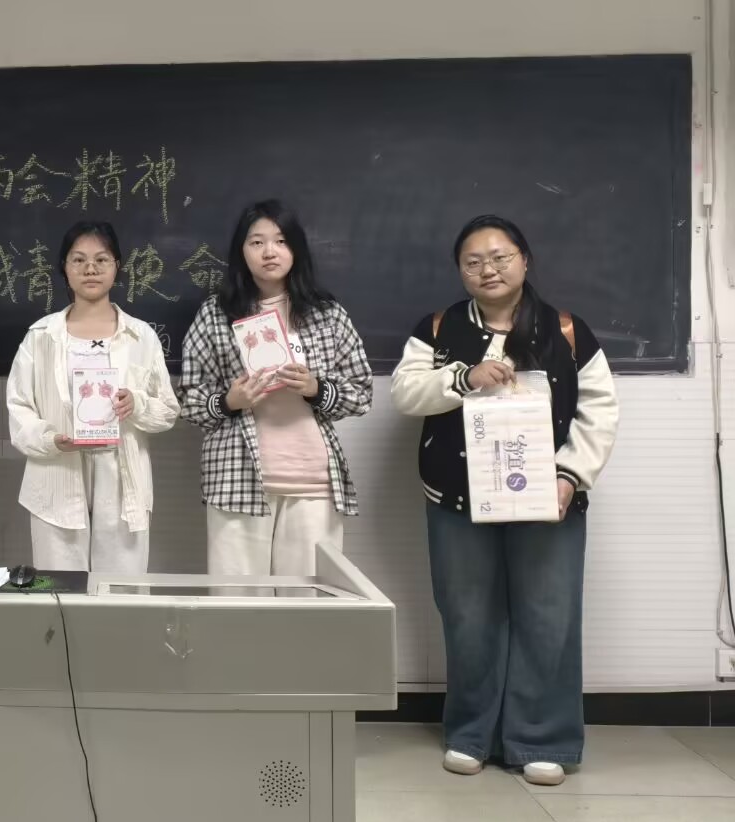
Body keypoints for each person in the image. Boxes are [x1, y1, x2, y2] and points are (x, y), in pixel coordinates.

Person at [391, 214, 618, 787]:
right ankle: (471, 734)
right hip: (458, 500)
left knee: (549, 615)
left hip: (547, 500)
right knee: (468, 616)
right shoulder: (438, 328)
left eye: (500, 257)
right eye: (473, 261)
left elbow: (599, 411)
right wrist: (464, 378)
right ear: (460, 271)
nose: (488, 269)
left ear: (524, 260)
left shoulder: (566, 330)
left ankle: (542, 739)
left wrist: (569, 477)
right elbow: (405, 393)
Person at [179, 200, 372, 577]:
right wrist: (228, 402)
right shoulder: (216, 313)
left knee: (308, 601)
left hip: (313, 482)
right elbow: (189, 401)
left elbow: (361, 392)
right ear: (242, 251)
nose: (270, 251)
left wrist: (317, 389)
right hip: (237, 479)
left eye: (281, 241)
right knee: (237, 601)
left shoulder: (326, 313)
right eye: (257, 242)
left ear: (295, 249)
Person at [6, 221, 178, 573]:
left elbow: (167, 410)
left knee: (120, 591)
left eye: (101, 259)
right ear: (65, 268)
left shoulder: (141, 336)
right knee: (60, 589)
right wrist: (51, 439)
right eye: (79, 259)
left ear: (117, 266)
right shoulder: (40, 336)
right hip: (57, 472)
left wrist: (137, 405)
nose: (90, 269)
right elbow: (19, 407)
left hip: (122, 476)